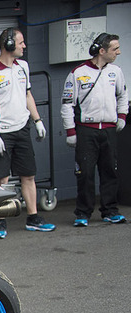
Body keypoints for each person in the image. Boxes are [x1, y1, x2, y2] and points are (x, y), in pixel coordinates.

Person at [0, 27, 55, 238]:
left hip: (23, 129)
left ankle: (33, 218)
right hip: (2, 134)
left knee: (28, 175)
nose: (24, 46)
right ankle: (1, 222)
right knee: (1, 180)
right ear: (9, 44)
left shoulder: (23, 67)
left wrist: (37, 120)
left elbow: (28, 95)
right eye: (21, 43)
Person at [61, 32, 128, 226]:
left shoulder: (116, 71)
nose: (119, 52)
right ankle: (83, 213)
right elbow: (67, 104)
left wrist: (122, 116)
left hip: (109, 130)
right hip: (86, 131)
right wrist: (70, 131)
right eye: (115, 49)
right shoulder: (77, 73)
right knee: (85, 174)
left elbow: (123, 96)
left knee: (110, 172)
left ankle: (110, 211)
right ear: (102, 51)